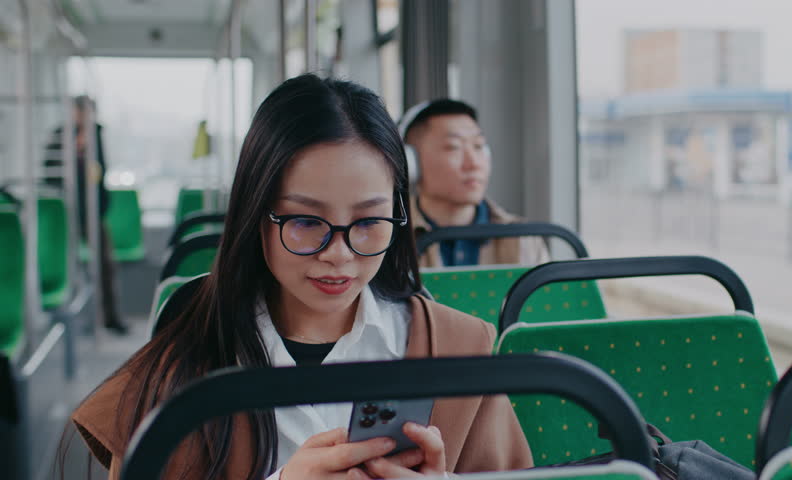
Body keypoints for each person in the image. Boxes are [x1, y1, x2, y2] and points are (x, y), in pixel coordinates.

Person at [67, 75, 532, 479]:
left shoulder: (460, 348)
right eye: (307, 223)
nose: (339, 255)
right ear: (256, 214)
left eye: (369, 223)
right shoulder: (188, 354)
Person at [399, 99, 549, 267]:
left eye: (478, 146)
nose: (474, 163)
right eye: (453, 147)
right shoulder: (391, 236)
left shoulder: (522, 238)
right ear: (411, 163)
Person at [44, 95, 129, 335]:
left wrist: (101, 206)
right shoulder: (61, 136)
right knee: (66, 266)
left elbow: (100, 173)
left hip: (93, 214)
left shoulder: (96, 136)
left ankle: (109, 318)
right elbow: (49, 174)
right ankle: (72, 320)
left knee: (105, 264)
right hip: (66, 212)